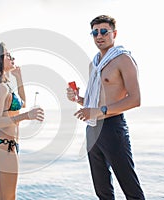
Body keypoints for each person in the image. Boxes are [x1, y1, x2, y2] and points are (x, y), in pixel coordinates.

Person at [67, 15, 145, 199]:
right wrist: (79, 98)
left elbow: (135, 99)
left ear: (114, 33)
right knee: (102, 191)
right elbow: (96, 101)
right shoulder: (94, 64)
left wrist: (99, 111)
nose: (99, 36)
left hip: (112, 128)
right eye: (95, 32)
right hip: (93, 129)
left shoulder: (123, 59)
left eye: (104, 31)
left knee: (131, 189)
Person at [0, 42, 44, 200]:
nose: (12, 57)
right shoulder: (0, 88)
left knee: (6, 196)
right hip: (5, 146)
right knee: (9, 197)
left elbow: (22, 103)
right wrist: (26, 116)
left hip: (8, 146)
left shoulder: (5, 86)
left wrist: (19, 78)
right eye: (7, 55)